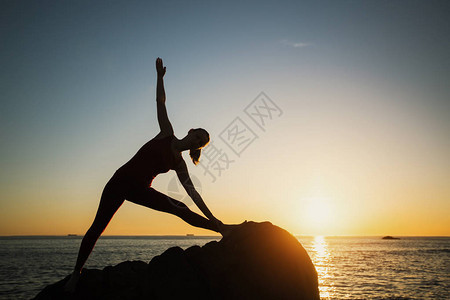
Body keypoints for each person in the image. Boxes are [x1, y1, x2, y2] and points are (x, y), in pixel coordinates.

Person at [64, 57, 236, 292]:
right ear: (191, 131)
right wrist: (159, 77)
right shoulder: (166, 133)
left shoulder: (180, 164)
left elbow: (193, 194)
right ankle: (76, 273)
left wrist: (214, 218)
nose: (198, 140)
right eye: (199, 135)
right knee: (98, 227)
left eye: (202, 142)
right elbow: (160, 101)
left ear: (199, 146)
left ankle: (221, 228)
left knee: (181, 208)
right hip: (119, 181)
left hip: (141, 190)